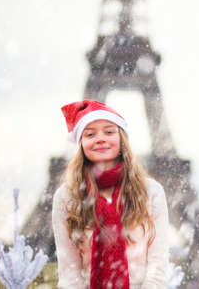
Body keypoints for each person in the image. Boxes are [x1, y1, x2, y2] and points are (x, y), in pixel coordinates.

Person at [52, 100, 169, 289]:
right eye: (90, 134)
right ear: (80, 143)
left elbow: (158, 265)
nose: (100, 138)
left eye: (109, 131)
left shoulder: (151, 192)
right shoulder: (66, 197)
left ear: (122, 138)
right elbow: (69, 272)